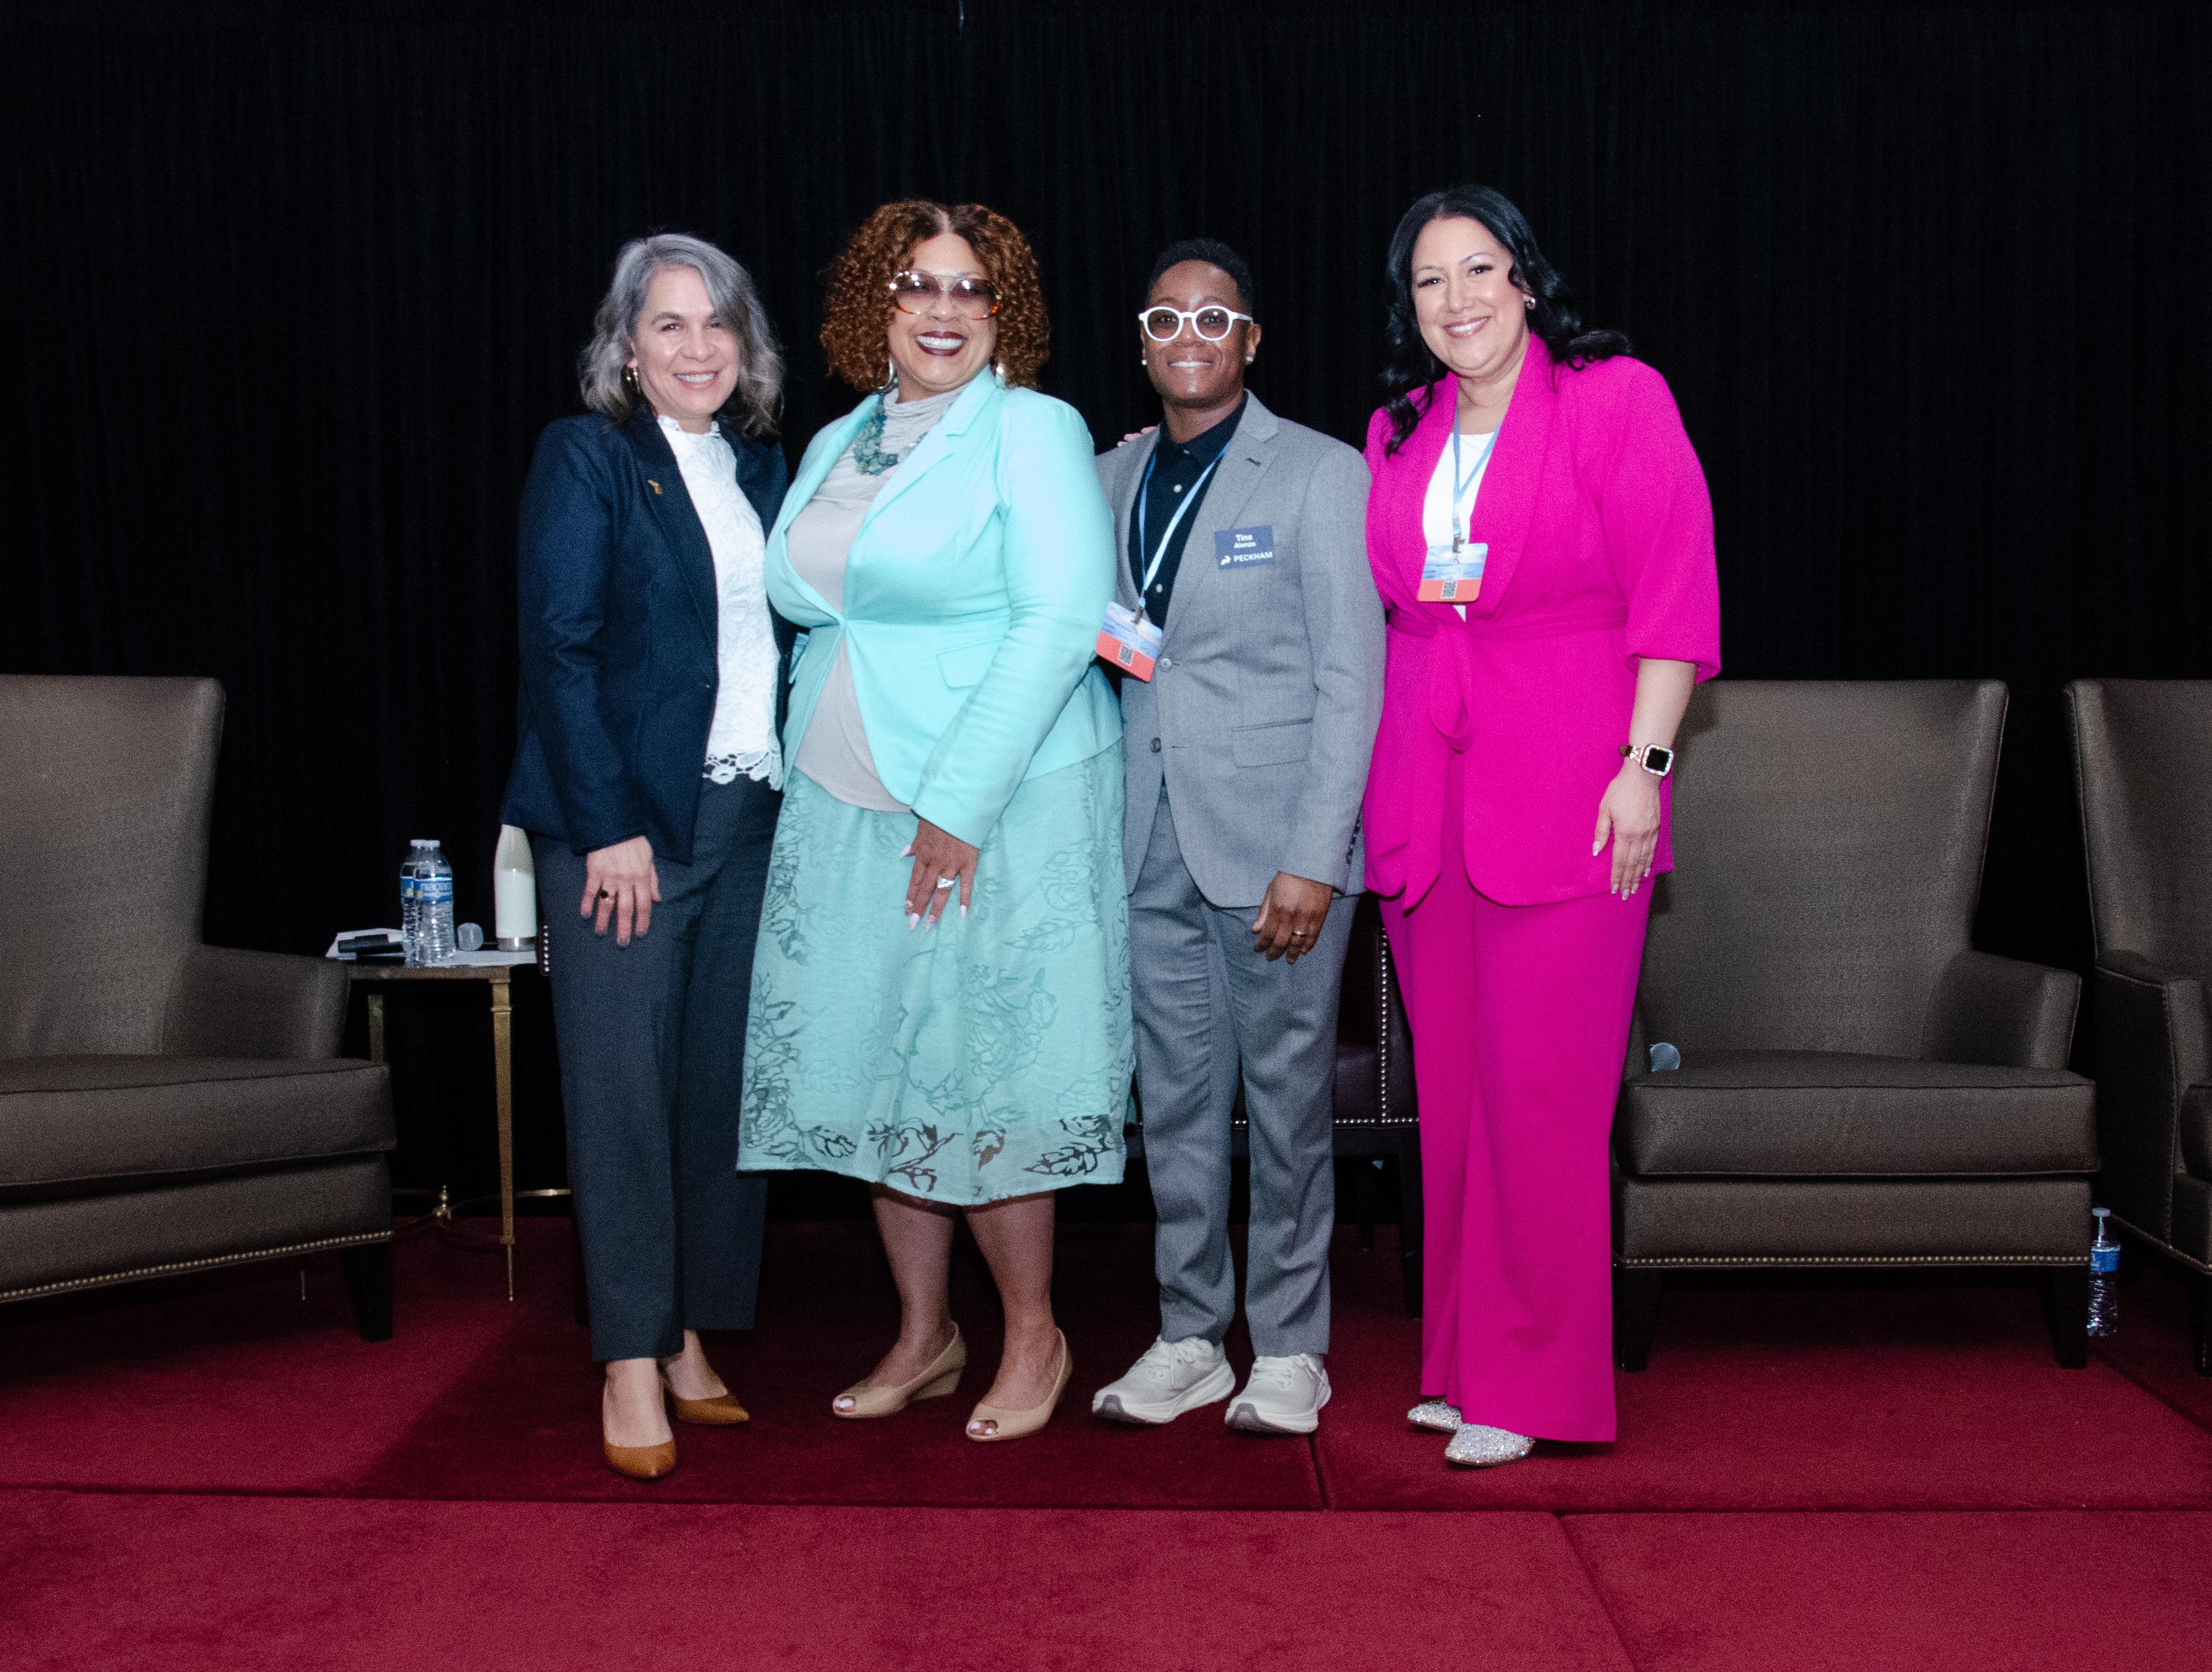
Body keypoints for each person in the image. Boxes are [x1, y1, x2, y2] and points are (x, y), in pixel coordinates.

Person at [738, 200, 1127, 1443]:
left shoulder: (1032, 429)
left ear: (1005, 313)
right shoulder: (841, 438)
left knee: (985, 1072)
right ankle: (925, 1333)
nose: (944, 310)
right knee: (878, 1063)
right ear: (880, 303)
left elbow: (1060, 619)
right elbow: (813, 600)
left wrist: (958, 807)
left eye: (972, 288)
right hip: (843, 790)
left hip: (994, 796)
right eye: (918, 285)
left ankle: (1034, 1334)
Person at [1361, 187, 1719, 1467]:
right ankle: (1464, 1365)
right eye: (1428, 281)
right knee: (1457, 1100)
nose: (1457, 300)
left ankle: (1538, 1388)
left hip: (1575, 787)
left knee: (1545, 1099)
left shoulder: (1614, 399)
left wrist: (1645, 768)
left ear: (1525, 278)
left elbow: (1674, 594)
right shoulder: (1397, 428)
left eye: (1479, 270)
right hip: (1427, 793)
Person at [502, 233, 792, 1481]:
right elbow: (557, 648)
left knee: (716, 1090)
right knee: (620, 1091)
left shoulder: (763, 468)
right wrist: (605, 824)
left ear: (746, 344)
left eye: (717, 322)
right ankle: (628, 1353)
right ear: (627, 346)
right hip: (622, 830)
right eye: (668, 323)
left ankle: (686, 1332)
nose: (696, 346)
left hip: (748, 815)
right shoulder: (588, 457)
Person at [1088, 240, 1382, 1435]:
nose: (1189, 336)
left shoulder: (1320, 472)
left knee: (1288, 1105)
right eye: (1166, 318)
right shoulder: (1107, 477)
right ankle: (1190, 1334)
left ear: (1251, 340)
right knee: (1173, 1103)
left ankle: (1293, 1347)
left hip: (1277, 851)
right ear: (1143, 344)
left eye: (1215, 318)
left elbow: (1352, 677)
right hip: (1145, 834)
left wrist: (1316, 853)